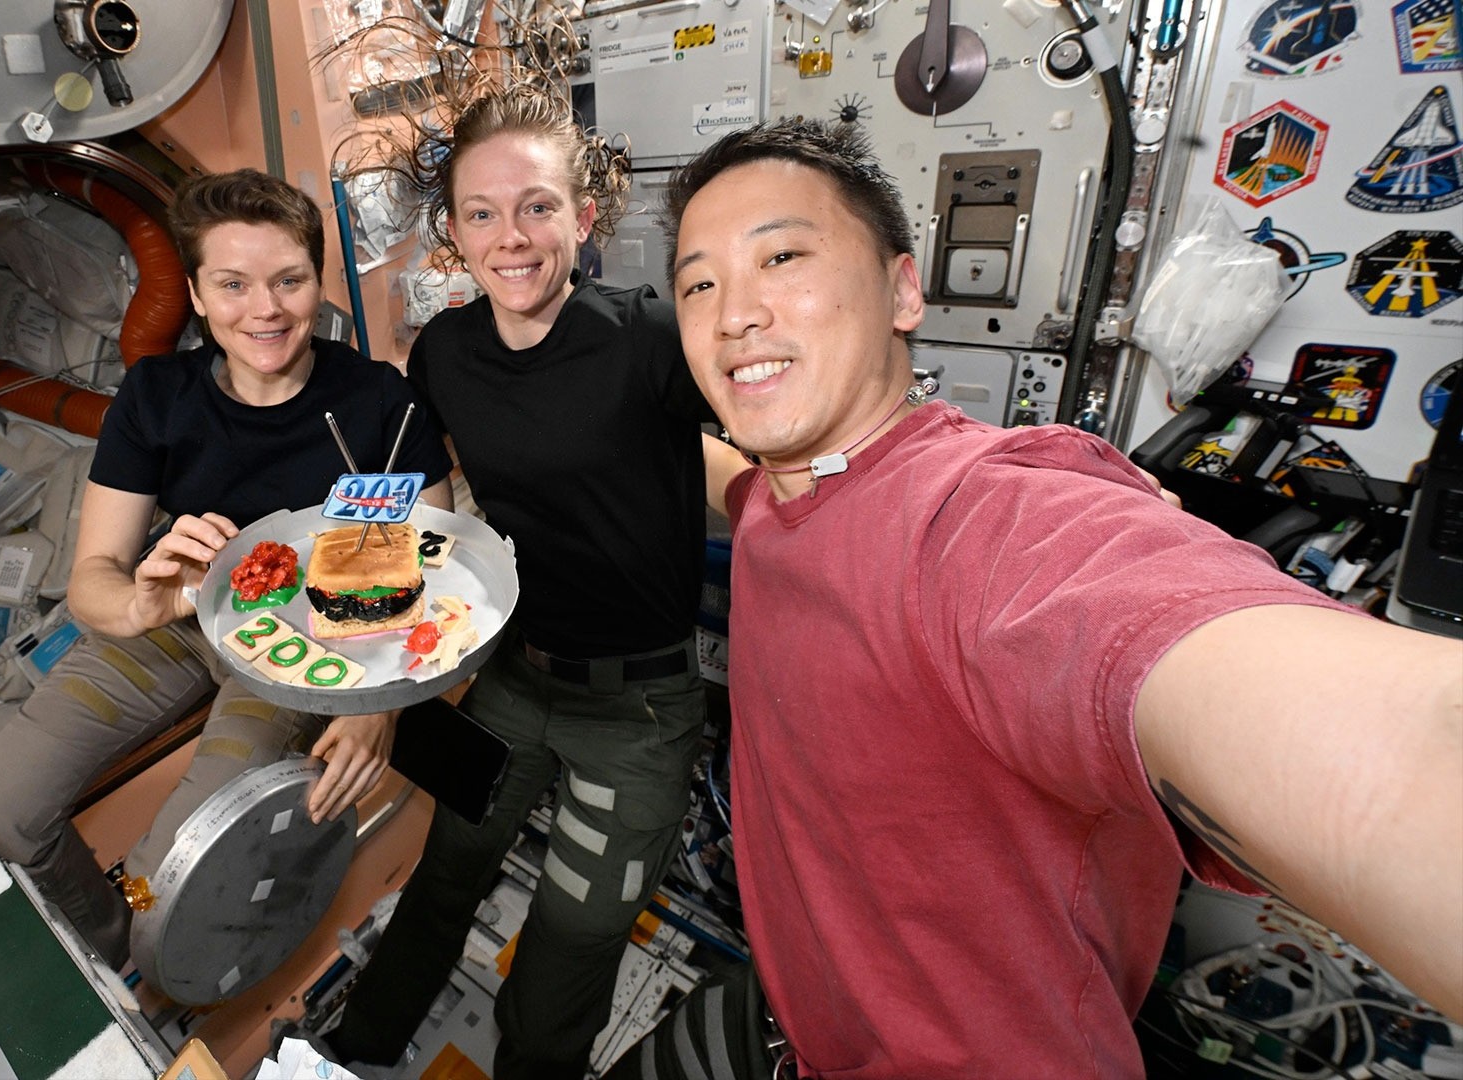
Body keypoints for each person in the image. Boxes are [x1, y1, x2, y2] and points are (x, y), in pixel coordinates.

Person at [606, 117, 1463, 1078]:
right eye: (699, 284)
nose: (734, 315)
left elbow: (1390, 746)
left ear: (901, 289)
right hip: (814, 1020)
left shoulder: (988, 524)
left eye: (782, 257)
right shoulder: (790, 489)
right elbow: (738, 480)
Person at [322, 83, 748, 1080]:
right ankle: (348, 1057)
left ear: (583, 217)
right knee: (441, 880)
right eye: (481, 213)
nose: (511, 237)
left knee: (565, 952)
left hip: (638, 712)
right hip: (506, 677)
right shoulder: (444, 355)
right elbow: (410, 522)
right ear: (454, 234)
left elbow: (769, 429)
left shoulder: (643, 338)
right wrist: (371, 682)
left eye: (538, 206)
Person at [0, 169, 454, 972]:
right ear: (195, 291)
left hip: (309, 641)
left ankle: (142, 918)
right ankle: (113, 946)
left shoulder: (378, 404)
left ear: (316, 282)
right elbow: (95, 582)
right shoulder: (155, 396)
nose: (266, 310)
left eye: (289, 280)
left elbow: (433, 572)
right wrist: (144, 603)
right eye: (233, 283)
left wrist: (377, 705)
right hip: (177, 623)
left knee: (174, 865)